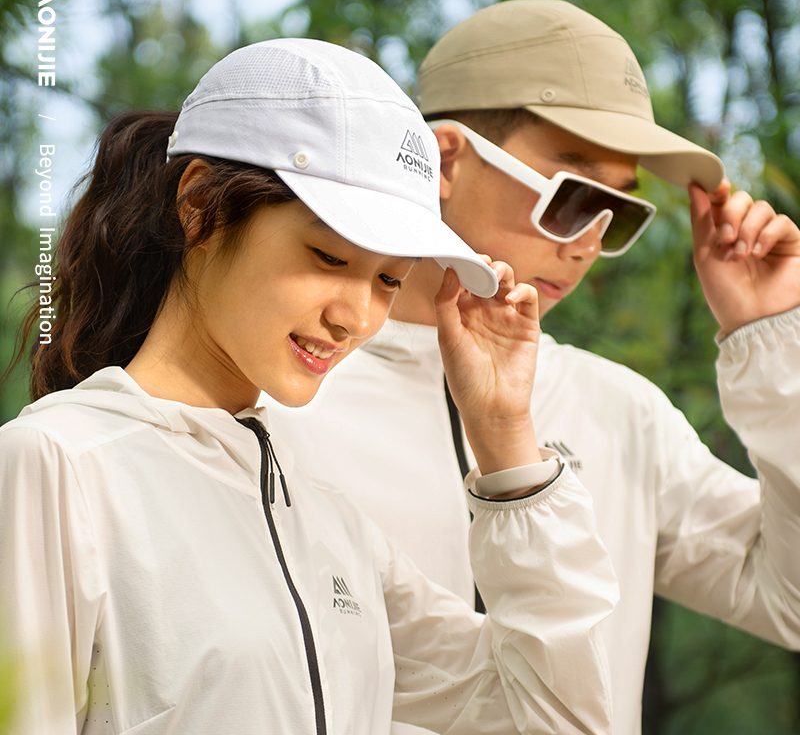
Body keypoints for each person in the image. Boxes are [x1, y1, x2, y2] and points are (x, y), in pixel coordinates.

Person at [0, 37, 620, 735]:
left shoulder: (329, 525)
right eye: (328, 256)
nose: (356, 317)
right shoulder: (58, 466)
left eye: (389, 278)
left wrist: (504, 436)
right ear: (200, 204)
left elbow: (557, 717)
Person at [263, 0, 800, 735]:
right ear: (445, 160)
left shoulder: (618, 410)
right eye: (574, 198)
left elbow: (790, 600)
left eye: (621, 214)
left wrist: (771, 341)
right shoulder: (282, 395)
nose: (587, 244)